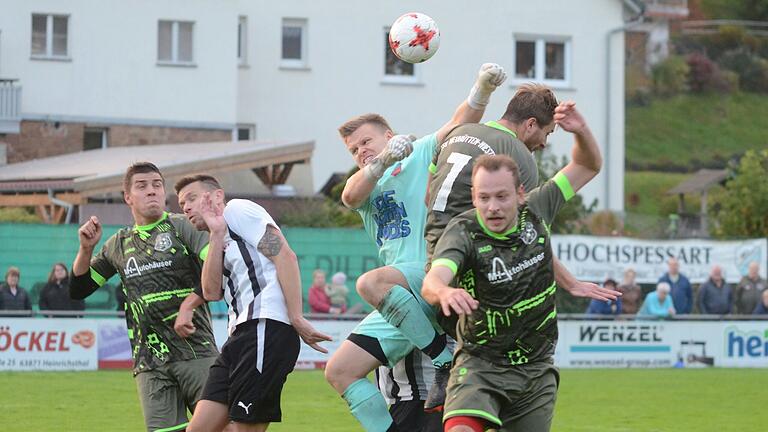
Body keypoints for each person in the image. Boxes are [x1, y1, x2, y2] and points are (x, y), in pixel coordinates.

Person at [323, 63, 508, 432]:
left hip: (430, 271)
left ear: (389, 135)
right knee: (339, 371)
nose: (361, 151)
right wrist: (381, 161)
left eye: (367, 142)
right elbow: (348, 196)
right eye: (353, 148)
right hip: (401, 296)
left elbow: (461, 121)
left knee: (369, 284)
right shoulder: (367, 181)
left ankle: (443, 358)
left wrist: (482, 88)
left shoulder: (417, 152)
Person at [422, 150, 601, 431]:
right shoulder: (463, 232)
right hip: (479, 363)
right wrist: (443, 292)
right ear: (474, 198)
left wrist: (579, 131)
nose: (492, 206)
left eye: (501, 196)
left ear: (519, 194)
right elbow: (434, 279)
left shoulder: (538, 208)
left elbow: (587, 164)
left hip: (535, 369)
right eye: (484, 197)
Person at [69, 162, 218, 432]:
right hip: (150, 363)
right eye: (142, 186)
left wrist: (189, 305)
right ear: (128, 197)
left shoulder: (183, 227)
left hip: (197, 352)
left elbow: (217, 268)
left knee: (220, 429)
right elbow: (79, 289)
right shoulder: (118, 244)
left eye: (157, 185)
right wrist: (85, 249)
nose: (152, 191)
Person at [175, 174, 330, 432]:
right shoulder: (218, 238)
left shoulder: (238, 211)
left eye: (192, 198)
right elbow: (211, 292)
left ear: (216, 196)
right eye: (182, 205)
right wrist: (216, 235)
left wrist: (296, 316)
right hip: (239, 337)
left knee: (245, 429)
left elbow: (284, 255)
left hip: (265, 327)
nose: (187, 208)